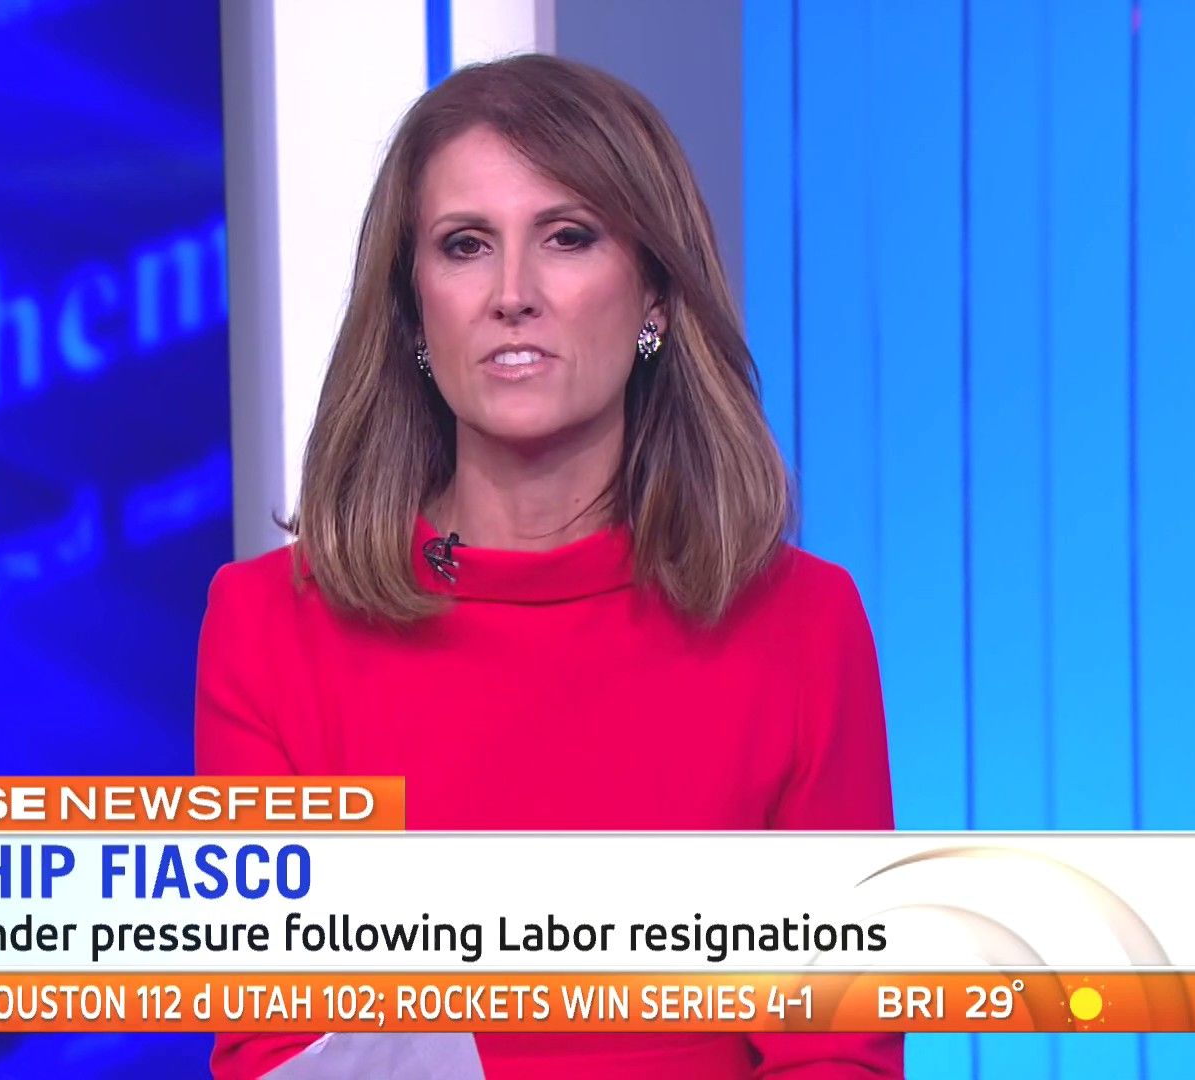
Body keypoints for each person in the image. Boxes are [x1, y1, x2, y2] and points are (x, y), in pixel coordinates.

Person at [195, 53, 901, 1079]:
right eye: (465, 245)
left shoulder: (801, 625)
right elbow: (276, 1046)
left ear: (656, 295)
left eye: (568, 237)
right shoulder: (269, 626)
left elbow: (837, 1054)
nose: (513, 294)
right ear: (414, 311)